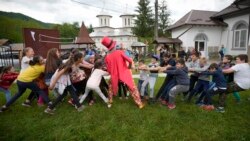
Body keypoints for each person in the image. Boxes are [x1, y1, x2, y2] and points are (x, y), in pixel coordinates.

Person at [101, 36, 144, 108]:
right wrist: (129, 67)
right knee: (132, 88)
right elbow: (130, 60)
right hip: (124, 73)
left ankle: (110, 101)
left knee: (110, 87)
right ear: (114, 46)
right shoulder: (120, 52)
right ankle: (139, 103)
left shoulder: (107, 57)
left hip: (114, 76)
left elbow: (108, 70)